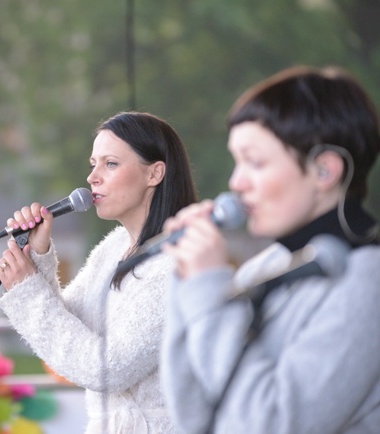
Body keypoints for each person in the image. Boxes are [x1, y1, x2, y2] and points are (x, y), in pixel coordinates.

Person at [160, 66, 380, 434]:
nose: (236, 182)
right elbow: (193, 417)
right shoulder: (266, 266)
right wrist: (187, 279)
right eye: (236, 161)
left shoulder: (368, 278)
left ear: (324, 171)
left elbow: (269, 425)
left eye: (255, 162)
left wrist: (208, 284)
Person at [0, 111, 197, 433]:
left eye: (110, 164)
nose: (92, 178)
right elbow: (67, 326)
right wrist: (40, 255)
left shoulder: (176, 263)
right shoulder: (113, 248)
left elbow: (107, 369)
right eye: (93, 164)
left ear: (155, 173)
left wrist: (28, 287)